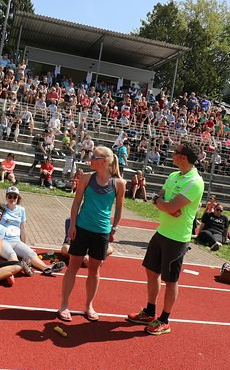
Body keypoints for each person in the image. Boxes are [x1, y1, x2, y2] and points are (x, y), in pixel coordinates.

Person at [127, 144, 205, 336]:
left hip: (177, 238)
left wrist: (163, 204)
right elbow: (161, 199)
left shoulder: (194, 181)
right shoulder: (173, 176)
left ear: (184, 157)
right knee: (151, 272)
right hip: (162, 232)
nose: (172, 155)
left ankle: (164, 320)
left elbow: (169, 206)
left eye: (175, 153)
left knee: (171, 280)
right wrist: (161, 203)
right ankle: (149, 311)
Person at [59, 147, 125, 322]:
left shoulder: (119, 183)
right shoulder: (87, 178)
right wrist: (72, 225)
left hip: (101, 232)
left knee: (94, 270)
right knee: (73, 266)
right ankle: (64, 304)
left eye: (93, 157)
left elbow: (119, 208)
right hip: (82, 228)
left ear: (104, 160)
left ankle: (89, 306)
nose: (90, 159)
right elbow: (76, 202)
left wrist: (115, 228)